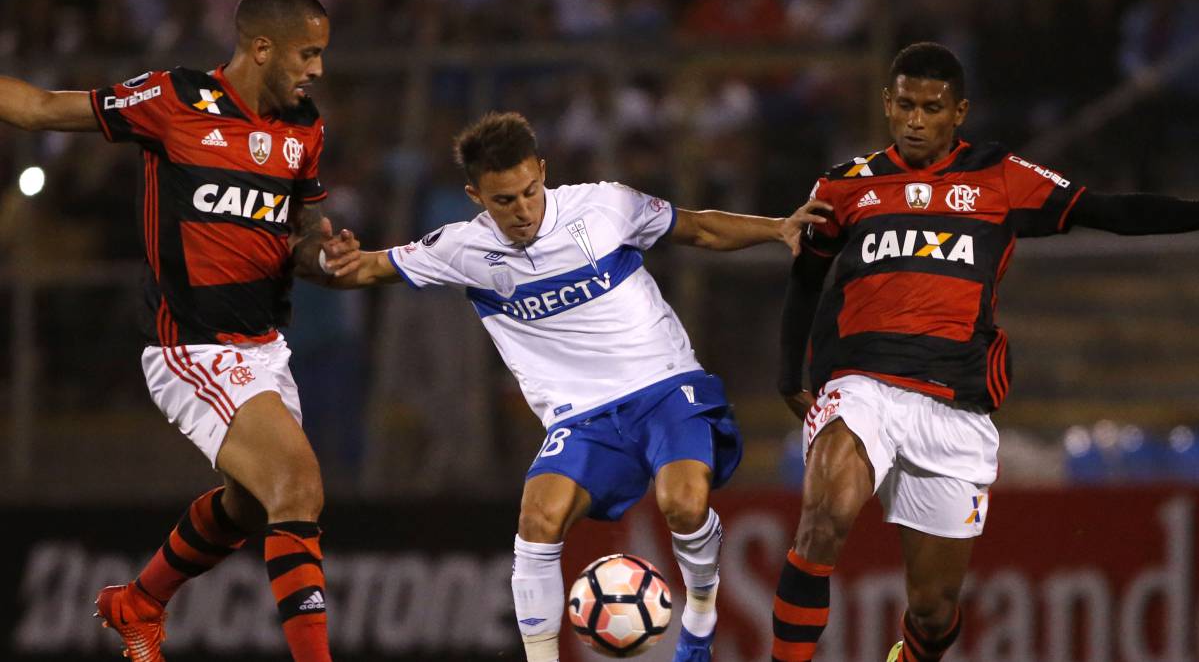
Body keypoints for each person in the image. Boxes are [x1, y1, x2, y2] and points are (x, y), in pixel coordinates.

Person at [328, 111, 828, 662]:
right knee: (537, 519)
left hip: (663, 384)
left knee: (684, 505)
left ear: (543, 170)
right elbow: (368, 269)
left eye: (528, 191)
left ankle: (700, 619)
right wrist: (325, 258)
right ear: (475, 196)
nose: (521, 210)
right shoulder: (461, 249)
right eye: (503, 201)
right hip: (581, 417)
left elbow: (698, 228)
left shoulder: (604, 205)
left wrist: (777, 227)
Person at [771, 41, 1199, 662]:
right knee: (825, 516)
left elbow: (1107, 211)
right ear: (886, 105)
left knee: (934, 610)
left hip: (956, 404)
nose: (917, 119)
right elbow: (807, 277)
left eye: (932, 107)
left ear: (959, 111)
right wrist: (791, 371)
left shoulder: (1001, 178)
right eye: (905, 105)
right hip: (862, 383)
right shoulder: (843, 188)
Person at [0, 0, 361, 661]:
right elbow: (39, 108)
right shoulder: (175, 100)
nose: (316, 68)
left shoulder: (305, 126)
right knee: (299, 484)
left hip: (264, 348)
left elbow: (303, 234)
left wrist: (323, 252)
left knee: (252, 507)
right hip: (192, 345)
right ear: (262, 48)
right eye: (308, 53)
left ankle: (138, 601)